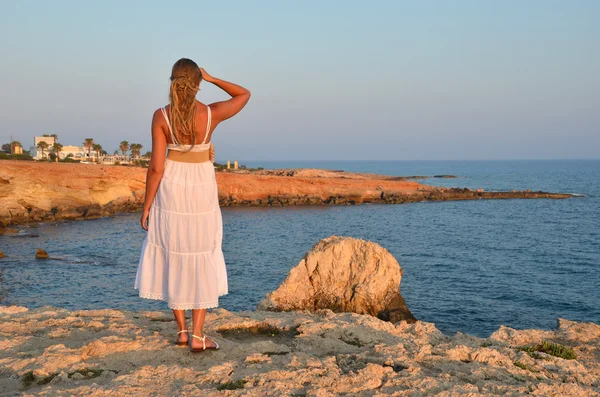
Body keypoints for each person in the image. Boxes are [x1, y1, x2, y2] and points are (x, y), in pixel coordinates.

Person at [134, 58, 250, 352]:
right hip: (201, 189)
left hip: (171, 188)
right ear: (197, 83)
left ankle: (183, 331)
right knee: (200, 253)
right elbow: (244, 95)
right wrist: (212, 79)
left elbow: (156, 168)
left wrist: (147, 205)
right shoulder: (210, 114)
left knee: (173, 250)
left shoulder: (161, 116)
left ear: (172, 81)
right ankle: (198, 336)